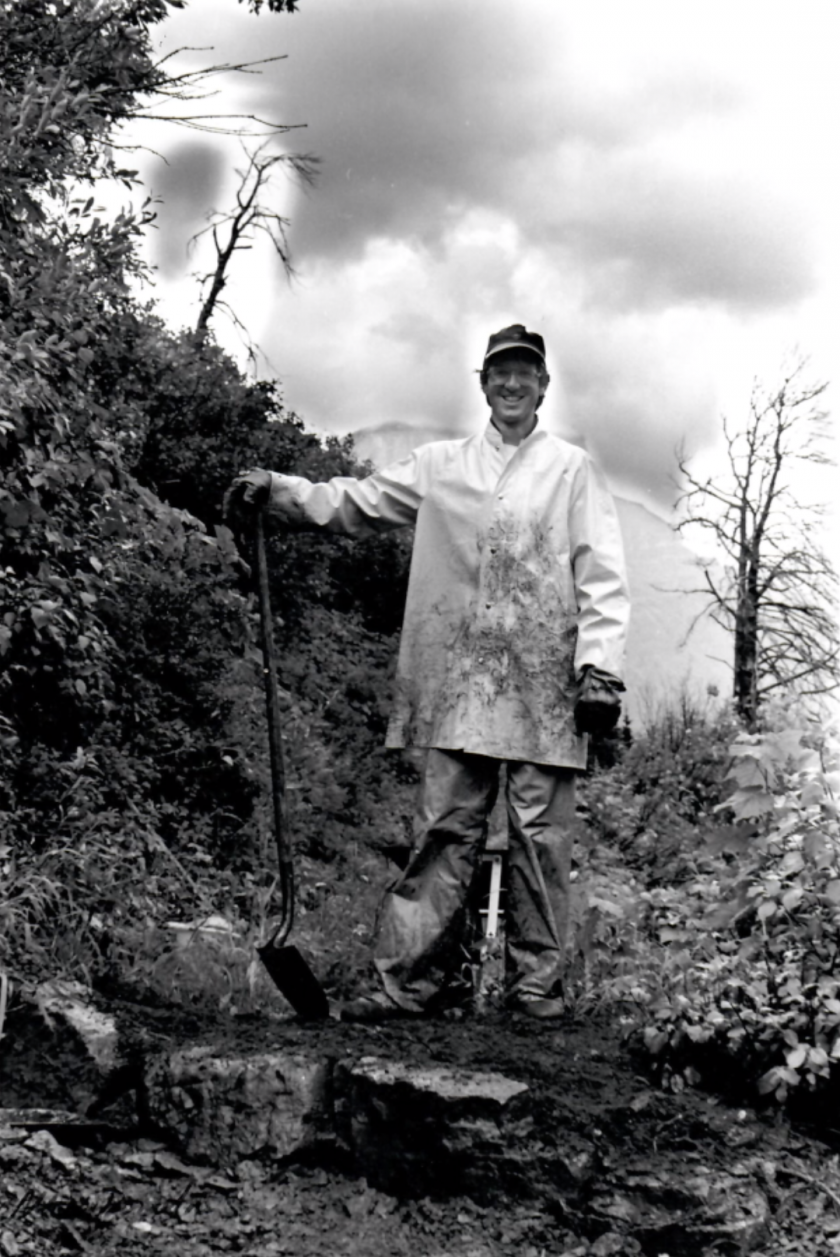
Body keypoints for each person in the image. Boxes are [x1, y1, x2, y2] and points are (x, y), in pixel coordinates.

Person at [226, 324, 630, 1021]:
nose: (511, 384)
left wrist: (600, 669)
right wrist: (283, 493)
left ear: (543, 385)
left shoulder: (572, 470)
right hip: (459, 682)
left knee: (541, 838)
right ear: (482, 382)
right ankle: (409, 984)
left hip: (545, 686)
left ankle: (537, 988)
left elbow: (601, 572)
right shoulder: (442, 465)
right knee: (445, 829)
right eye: (499, 372)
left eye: (524, 373)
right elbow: (359, 501)